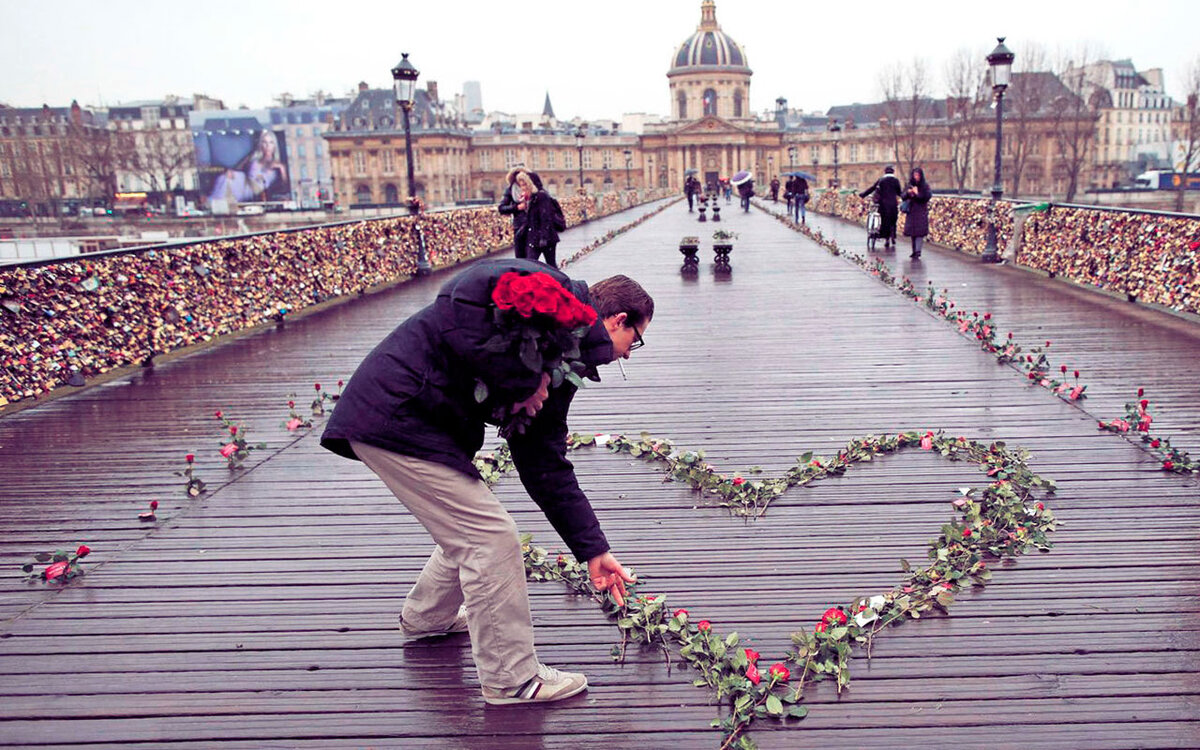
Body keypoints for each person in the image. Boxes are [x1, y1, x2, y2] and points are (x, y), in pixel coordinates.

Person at [320, 258, 654, 706]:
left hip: (412, 422)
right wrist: (521, 383)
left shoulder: (563, 363)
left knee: (471, 526)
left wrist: (594, 550)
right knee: (490, 537)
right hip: (396, 414)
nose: (631, 352)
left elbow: (544, 464)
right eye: (637, 339)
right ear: (618, 320)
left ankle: (426, 618)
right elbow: (464, 291)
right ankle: (511, 679)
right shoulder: (553, 293)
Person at [519, 171, 566, 267]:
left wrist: (543, 237)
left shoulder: (541, 196)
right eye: (521, 185)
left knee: (550, 265)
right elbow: (531, 219)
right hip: (535, 237)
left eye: (524, 185)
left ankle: (558, 281)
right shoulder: (531, 198)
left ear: (530, 184)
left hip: (545, 238)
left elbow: (545, 217)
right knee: (530, 265)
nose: (522, 188)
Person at [859, 166, 903, 250]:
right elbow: (899, 192)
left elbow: (873, 188)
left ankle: (886, 238)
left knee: (884, 221)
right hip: (893, 204)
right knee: (893, 220)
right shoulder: (896, 181)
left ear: (885, 172)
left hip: (883, 204)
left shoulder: (881, 180)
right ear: (893, 172)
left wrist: (863, 194)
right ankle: (892, 235)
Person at [498, 167, 533, 259]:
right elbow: (501, 208)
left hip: (533, 226)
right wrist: (517, 207)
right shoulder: (510, 190)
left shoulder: (533, 189)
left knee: (532, 257)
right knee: (521, 257)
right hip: (520, 227)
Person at [903, 166, 933, 259]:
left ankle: (918, 251)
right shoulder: (910, 185)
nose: (916, 177)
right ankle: (914, 251)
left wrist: (917, 194)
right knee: (913, 232)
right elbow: (903, 196)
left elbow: (926, 197)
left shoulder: (925, 186)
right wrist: (908, 193)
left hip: (920, 211)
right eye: (914, 175)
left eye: (917, 175)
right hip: (911, 211)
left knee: (919, 232)